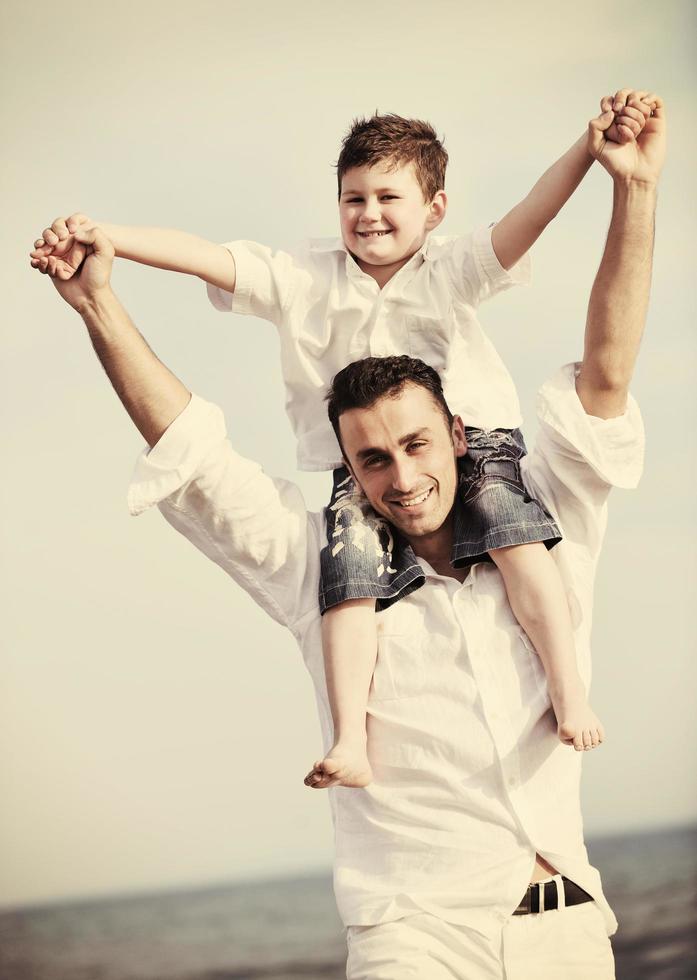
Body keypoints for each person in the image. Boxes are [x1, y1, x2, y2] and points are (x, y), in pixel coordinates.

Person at [31, 92, 664, 977]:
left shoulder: (547, 526)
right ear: (345, 465)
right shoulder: (323, 571)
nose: (399, 480)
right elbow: (195, 455)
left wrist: (631, 189)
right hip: (413, 936)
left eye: (415, 446)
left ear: (457, 433)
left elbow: (605, 371)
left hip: (568, 928)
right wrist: (99, 300)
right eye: (369, 460)